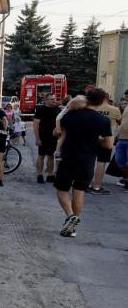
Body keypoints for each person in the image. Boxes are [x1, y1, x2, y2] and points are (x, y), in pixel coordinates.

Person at [55, 89, 114, 237]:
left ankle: (70, 216)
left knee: (62, 189)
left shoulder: (71, 115)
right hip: (87, 160)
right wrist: (95, 139)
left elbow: (58, 133)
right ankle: (72, 228)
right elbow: (108, 145)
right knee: (79, 191)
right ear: (102, 101)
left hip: (68, 157)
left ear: (87, 98)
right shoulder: (103, 120)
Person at [88, 95, 122, 194]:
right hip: (107, 138)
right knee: (101, 162)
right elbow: (120, 122)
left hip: (92, 137)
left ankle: (86, 184)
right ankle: (97, 187)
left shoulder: (92, 108)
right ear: (107, 98)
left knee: (89, 160)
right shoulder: (115, 109)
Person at [34, 93, 60, 183]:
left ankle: (50, 175)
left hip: (54, 137)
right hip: (43, 137)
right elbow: (35, 125)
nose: (54, 100)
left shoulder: (57, 109)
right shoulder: (41, 109)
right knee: (41, 155)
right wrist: (37, 139)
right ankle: (39, 175)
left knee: (51, 156)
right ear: (46, 100)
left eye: (54, 98)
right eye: (51, 99)